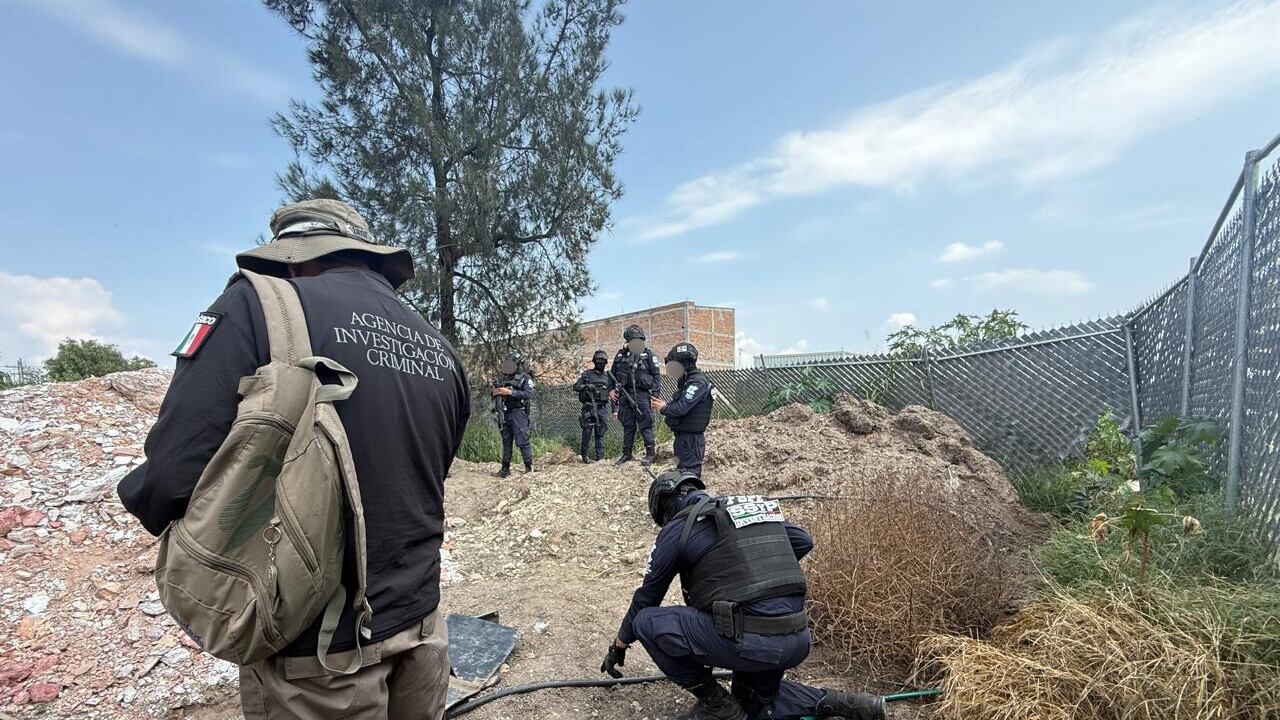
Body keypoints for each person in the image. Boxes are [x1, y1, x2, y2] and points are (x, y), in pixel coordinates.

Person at [117, 199, 469, 720]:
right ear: (365, 255)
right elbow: (427, 474)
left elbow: (173, 472)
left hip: (317, 651)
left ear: (294, 259)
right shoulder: (438, 347)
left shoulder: (257, 304)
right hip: (422, 628)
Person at [601, 472, 886, 720]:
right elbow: (802, 541)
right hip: (797, 639)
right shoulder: (745, 510)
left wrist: (620, 643)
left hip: (751, 644)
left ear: (665, 507)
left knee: (647, 622)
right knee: (753, 702)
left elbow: (647, 598)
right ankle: (852, 704)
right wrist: (752, 568)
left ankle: (717, 705)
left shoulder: (680, 527)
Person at [652, 342, 713, 478]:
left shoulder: (697, 382)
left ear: (685, 364)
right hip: (684, 439)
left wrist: (664, 408)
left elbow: (681, 408)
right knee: (683, 475)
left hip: (691, 441)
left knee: (689, 476)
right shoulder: (688, 382)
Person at [609, 324, 662, 466]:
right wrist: (610, 389)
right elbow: (612, 374)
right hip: (625, 395)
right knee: (628, 425)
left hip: (642, 395)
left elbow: (656, 377)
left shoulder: (648, 355)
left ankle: (650, 454)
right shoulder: (621, 355)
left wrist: (655, 396)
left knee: (646, 424)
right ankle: (627, 453)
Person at [491, 350, 535, 477]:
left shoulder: (525, 378)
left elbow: (529, 394)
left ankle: (528, 468)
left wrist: (510, 392)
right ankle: (505, 469)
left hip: (518, 413)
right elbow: (495, 394)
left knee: (522, 441)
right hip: (505, 413)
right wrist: (495, 392)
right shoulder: (504, 379)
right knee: (506, 441)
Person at [573, 350, 615, 463]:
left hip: (601, 408)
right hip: (589, 407)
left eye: (602, 361)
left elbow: (613, 394)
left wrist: (615, 410)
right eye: (598, 361)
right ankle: (585, 457)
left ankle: (600, 458)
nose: (600, 363)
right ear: (594, 361)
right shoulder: (586, 374)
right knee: (586, 432)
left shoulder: (608, 376)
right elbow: (576, 386)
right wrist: (586, 386)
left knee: (600, 433)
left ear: (605, 362)